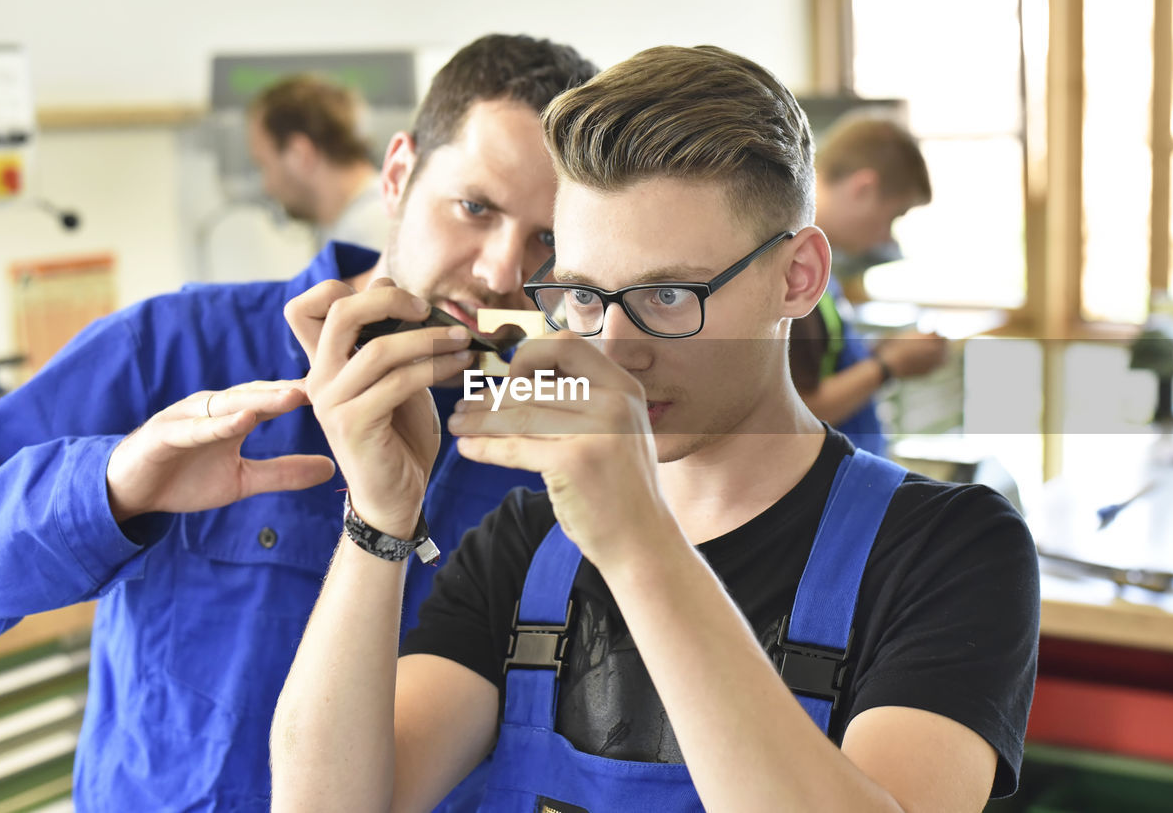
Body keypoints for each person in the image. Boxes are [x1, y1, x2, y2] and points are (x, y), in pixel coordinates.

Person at [271, 45, 1039, 812]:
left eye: (668, 294)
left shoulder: (950, 551)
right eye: (580, 296)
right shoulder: (523, 545)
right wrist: (379, 518)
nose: (612, 349)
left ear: (797, 276)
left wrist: (639, 544)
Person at [0, 34, 597, 810]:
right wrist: (111, 489)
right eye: (475, 208)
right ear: (400, 172)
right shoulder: (177, 351)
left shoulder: (555, 437)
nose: (503, 272)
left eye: (547, 239)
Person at [789, 114, 949, 454]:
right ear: (864, 188)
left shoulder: (824, 270)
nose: (887, 236)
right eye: (893, 216)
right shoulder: (793, 272)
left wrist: (881, 350)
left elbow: (823, 361)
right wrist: (889, 366)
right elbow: (797, 411)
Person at [247, 73, 391, 249]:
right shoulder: (350, 225)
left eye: (264, 165)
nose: (266, 186)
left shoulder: (370, 232)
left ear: (299, 154)